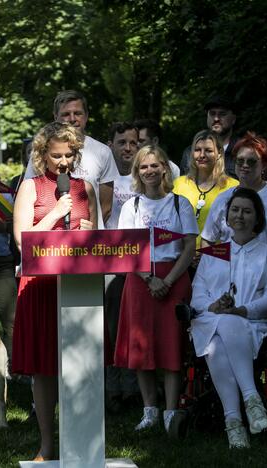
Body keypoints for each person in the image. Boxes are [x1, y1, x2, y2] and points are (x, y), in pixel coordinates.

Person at [12, 122, 97, 461]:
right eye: (56, 155)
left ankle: (83, 441)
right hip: (40, 287)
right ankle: (48, 444)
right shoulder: (30, 188)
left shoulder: (85, 188)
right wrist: (56, 214)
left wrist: (89, 233)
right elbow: (22, 239)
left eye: (69, 155)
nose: (63, 162)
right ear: (42, 154)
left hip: (79, 288)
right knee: (45, 368)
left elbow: (99, 245)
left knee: (79, 364)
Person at [190, 188, 267, 449]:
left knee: (221, 338)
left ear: (257, 217)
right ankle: (251, 402)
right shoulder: (214, 253)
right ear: (227, 216)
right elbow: (197, 297)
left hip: (254, 325)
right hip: (211, 321)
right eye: (235, 210)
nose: (239, 215)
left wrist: (244, 310)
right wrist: (213, 305)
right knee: (222, 328)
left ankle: (234, 423)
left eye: (246, 210)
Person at [115, 145, 197, 433]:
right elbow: (125, 250)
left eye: (154, 165)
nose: (149, 171)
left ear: (165, 168)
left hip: (174, 278)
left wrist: (168, 280)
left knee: (173, 347)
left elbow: (189, 247)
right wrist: (150, 280)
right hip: (140, 282)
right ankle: (150, 410)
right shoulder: (131, 207)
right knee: (141, 347)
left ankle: (172, 412)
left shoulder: (180, 204)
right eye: (143, 167)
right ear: (137, 172)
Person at [200, 132, 267, 278]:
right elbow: (207, 239)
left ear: (264, 165)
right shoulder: (223, 198)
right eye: (240, 160)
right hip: (229, 276)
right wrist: (212, 269)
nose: (244, 165)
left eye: (251, 161)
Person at [22, 90, 118, 224]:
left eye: (78, 113)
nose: (72, 119)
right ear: (56, 117)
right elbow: (29, 197)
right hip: (49, 239)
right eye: (66, 114)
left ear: (86, 116)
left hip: (88, 238)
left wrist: (87, 230)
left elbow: (106, 207)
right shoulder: (41, 152)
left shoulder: (103, 152)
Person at [103, 121, 139, 411]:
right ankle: (111, 388)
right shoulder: (104, 177)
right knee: (109, 328)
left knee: (132, 328)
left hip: (137, 263)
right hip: (105, 261)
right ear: (110, 145)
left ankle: (132, 389)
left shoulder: (146, 176)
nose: (128, 148)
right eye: (122, 142)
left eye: (133, 143)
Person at [179, 97, 267, 183]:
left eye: (222, 114)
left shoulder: (249, 151)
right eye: (212, 114)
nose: (216, 118)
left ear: (233, 119)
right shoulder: (190, 152)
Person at [172, 130, 239, 249]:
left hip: (218, 258)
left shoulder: (233, 187)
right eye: (197, 150)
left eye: (208, 150)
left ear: (219, 154)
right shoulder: (178, 184)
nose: (202, 155)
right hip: (181, 258)